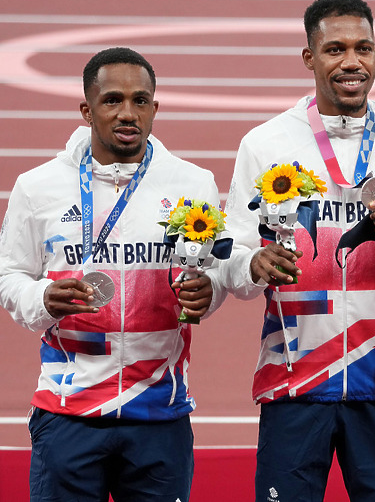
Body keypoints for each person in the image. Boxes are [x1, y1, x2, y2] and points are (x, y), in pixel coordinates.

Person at [218, 0, 375, 501]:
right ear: (309, 58)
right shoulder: (265, 143)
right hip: (293, 382)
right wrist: (254, 263)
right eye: (335, 49)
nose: (352, 62)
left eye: (364, 48)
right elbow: (228, 260)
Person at [0, 47, 225, 501]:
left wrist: (210, 291)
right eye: (112, 100)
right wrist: (42, 299)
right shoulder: (37, 187)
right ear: (87, 109)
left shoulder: (192, 183)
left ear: (155, 108)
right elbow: (10, 277)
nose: (128, 113)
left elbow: (210, 276)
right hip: (69, 413)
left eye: (141, 101)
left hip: (159, 414)